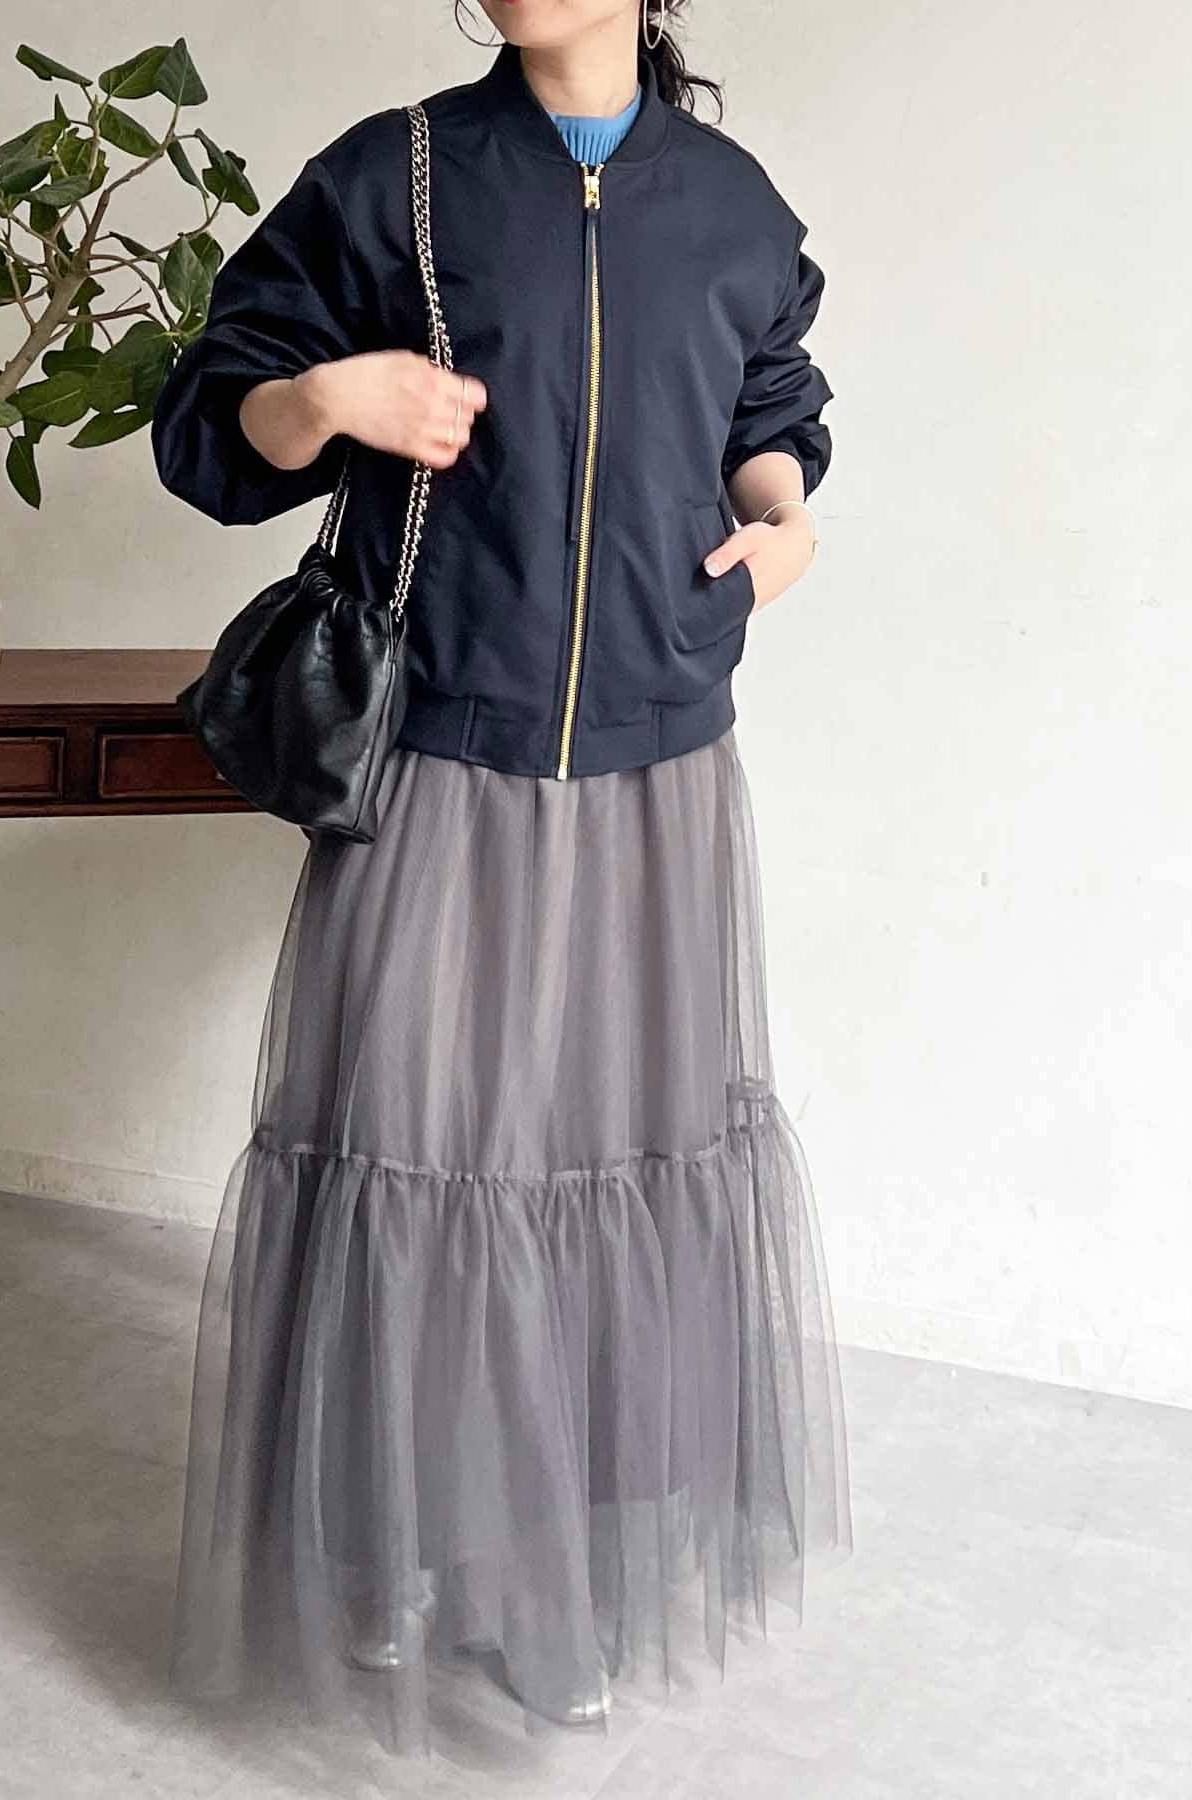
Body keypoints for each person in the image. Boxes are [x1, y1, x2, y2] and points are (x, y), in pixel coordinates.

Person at [150, 0, 852, 1756]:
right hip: (444, 749)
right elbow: (210, 427)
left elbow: (772, 399)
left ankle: (555, 1574)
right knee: (422, 1145)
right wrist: (327, 399)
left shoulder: (729, 202)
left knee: (609, 1152)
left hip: (656, 760)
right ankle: (398, 1539)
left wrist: (779, 521)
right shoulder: (397, 177)